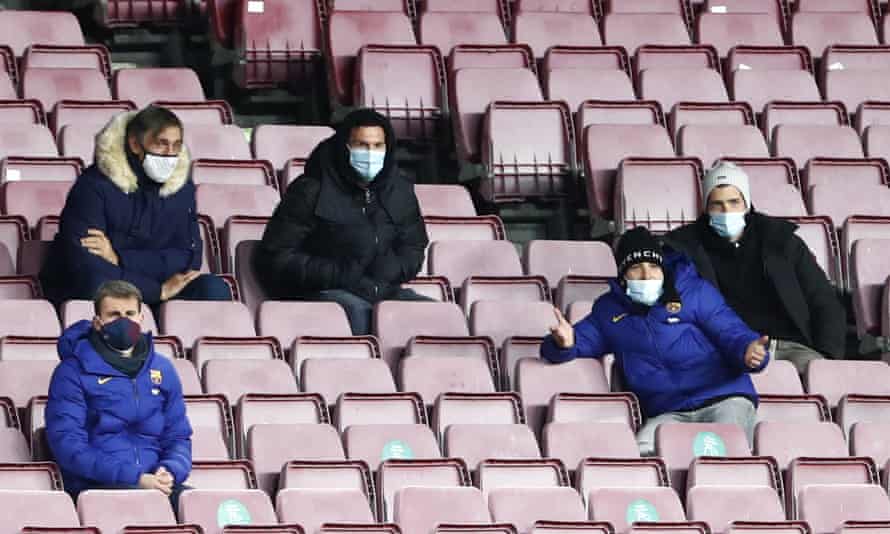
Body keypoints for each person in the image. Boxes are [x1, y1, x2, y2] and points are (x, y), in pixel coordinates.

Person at [542, 227, 770, 456]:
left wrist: (748, 351)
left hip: (724, 398)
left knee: (722, 457)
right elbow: (575, 342)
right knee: (642, 458)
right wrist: (564, 344)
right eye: (635, 268)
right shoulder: (608, 310)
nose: (646, 275)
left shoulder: (695, 292)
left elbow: (732, 332)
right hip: (667, 412)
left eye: (653, 266)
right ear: (623, 276)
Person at [254, 108, 430, 335]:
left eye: (377, 146)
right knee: (360, 314)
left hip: (381, 288)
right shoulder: (310, 191)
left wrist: (393, 269)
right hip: (323, 291)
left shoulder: (400, 190)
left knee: (432, 315)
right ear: (344, 147)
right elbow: (276, 256)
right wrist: (338, 273)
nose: (370, 154)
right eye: (361, 146)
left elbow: (414, 245)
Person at [40, 105, 232, 308]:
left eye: (176, 146)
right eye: (161, 144)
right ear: (134, 144)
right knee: (97, 284)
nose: (170, 154)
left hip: (160, 284)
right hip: (107, 287)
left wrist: (119, 258)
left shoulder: (181, 188)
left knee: (214, 288)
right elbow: (87, 263)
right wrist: (156, 291)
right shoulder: (93, 186)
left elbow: (189, 257)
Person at [664, 161, 846, 372]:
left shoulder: (781, 241)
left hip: (792, 348)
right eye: (717, 204)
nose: (726, 211)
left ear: (747, 203)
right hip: (726, 350)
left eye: (734, 202)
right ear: (705, 207)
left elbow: (823, 300)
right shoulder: (683, 247)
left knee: (824, 382)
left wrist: (827, 356)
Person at [45, 280, 192, 508]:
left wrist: (171, 469)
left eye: (130, 313)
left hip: (157, 484)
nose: (123, 321)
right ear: (97, 322)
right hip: (98, 486)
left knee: (211, 509)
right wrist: (135, 478)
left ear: (141, 318)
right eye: (114, 315)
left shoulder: (163, 369)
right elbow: (68, 445)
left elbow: (178, 436)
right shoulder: (71, 371)